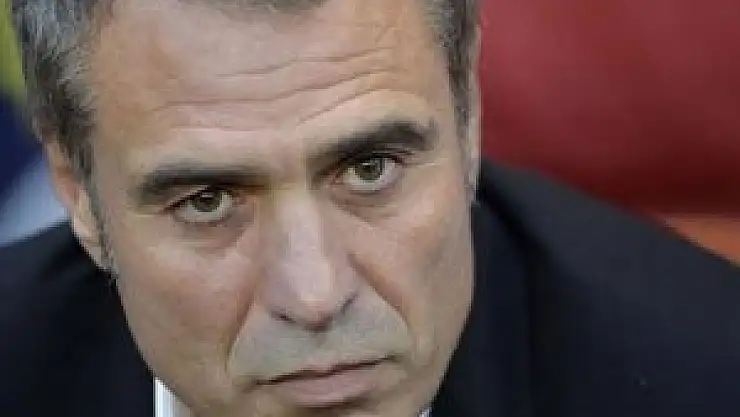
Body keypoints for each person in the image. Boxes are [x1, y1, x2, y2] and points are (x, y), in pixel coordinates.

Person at [2, 0, 740, 416]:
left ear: (468, 113)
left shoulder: (707, 379)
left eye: (369, 168)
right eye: (207, 201)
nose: (315, 295)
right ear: (77, 190)